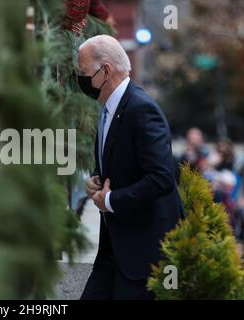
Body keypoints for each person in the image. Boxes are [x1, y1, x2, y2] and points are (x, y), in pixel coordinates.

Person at [77, 35, 185, 300]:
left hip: (143, 253)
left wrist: (111, 200)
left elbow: (162, 178)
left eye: (84, 73)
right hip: (114, 248)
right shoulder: (109, 109)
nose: (80, 80)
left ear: (106, 71)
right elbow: (119, 161)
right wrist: (97, 179)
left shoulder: (142, 109)